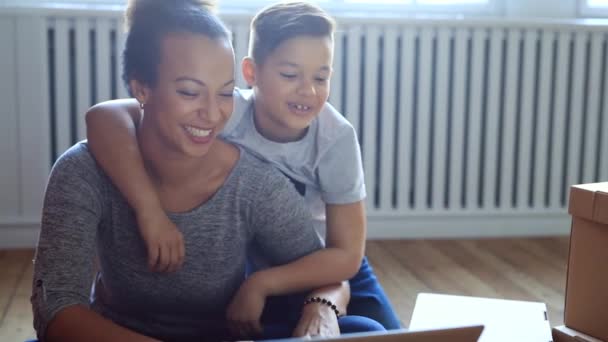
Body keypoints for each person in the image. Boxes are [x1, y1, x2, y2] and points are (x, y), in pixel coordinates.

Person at [30, 1, 383, 341]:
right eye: (189, 92)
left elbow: (337, 265)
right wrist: (149, 209)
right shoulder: (84, 170)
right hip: (117, 333)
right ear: (141, 88)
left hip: (271, 294)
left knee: (370, 331)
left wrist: (318, 308)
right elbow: (57, 308)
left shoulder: (263, 177)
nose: (213, 115)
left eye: (225, 93)